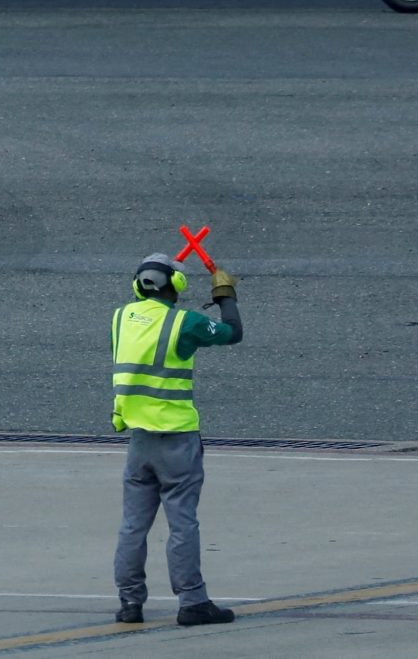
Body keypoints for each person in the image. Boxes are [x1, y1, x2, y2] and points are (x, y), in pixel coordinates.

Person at [110, 252, 243, 626]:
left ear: (138, 285)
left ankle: (129, 603)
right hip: (177, 440)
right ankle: (192, 601)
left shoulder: (120, 319)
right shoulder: (185, 322)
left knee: (133, 524)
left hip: (139, 440)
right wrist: (225, 294)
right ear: (178, 286)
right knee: (182, 521)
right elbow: (233, 333)